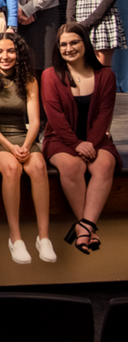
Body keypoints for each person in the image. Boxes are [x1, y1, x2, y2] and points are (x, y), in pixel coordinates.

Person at [0, 33, 55, 264]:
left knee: (39, 166)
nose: (5, 56)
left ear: (18, 53)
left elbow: (35, 121)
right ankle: (16, 238)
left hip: (23, 136)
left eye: (10, 51)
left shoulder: (29, 79)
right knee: (12, 168)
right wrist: (12, 147)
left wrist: (27, 146)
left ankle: (44, 237)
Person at [42, 23, 120, 254]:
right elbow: (54, 118)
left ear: (85, 43)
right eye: (63, 44)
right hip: (60, 138)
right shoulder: (50, 76)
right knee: (72, 165)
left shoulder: (106, 75)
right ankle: (87, 227)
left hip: (95, 138)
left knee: (105, 163)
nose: (68, 48)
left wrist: (90, 144)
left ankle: (83, 227)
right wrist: (76, 144)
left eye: (74, 42)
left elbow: (104, 115)